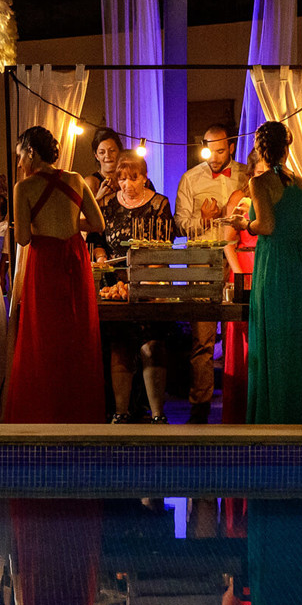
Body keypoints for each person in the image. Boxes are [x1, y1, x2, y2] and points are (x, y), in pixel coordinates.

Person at [3, 125, 106, 424]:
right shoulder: (74, 178)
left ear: (31, 152)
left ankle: (44, 411)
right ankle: (78, 413)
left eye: (20, 155)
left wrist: (36, 223)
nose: (19, 162)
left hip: (45, 261)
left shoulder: (24, 187)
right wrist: (71, 223)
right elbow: (97, 223)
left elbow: (22, 238)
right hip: (74, 259)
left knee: (44, 338)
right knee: (76, 334)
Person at [237, 122, 302, 425]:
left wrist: (243, 224)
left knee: (275, 340)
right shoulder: (298, 182)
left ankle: (272, 417)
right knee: (296, 341)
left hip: (276, 264)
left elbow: (266, 226)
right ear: (288, 145)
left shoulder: (260, 182)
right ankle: (296, 415)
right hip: (301, 262)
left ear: (260, 148)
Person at [94, 150, 176, 423]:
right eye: (122, 179)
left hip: (150, 286)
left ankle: (157, 414)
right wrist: (102, 257)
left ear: (145, 177)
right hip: (114, 288)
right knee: (120, 346)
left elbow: (165, 245)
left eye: (133, 178)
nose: (127, 185)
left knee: (152, 345)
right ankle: (121, 412)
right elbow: (97, 239)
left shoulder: (159, 204)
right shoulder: (106, 205)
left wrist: (146, 277)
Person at [173, 124, 240, 423]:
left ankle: (238, 404)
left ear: (232, 148)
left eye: (221, 150)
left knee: (237, 335)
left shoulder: (245, 175)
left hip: (237, 259)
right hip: (202, 260)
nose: (214, 157)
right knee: (202, 338)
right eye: (209, 150)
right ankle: (199, 406)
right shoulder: (190, 178)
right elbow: (180, 225)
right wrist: (203, 219)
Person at [220, 147, 266, 424]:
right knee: (243, 341)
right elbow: (227, 241)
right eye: (258, 173)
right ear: (250, 174)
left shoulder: (274, 198)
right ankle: (240, 409)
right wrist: (239, 275)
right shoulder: (241, 198)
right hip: (244, 267)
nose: (263, 178)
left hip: (267, 265)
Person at [82, 127, 125, 204]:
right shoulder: (91, 182)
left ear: (120, 151)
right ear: (96, 156)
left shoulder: (128, 179)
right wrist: (99, 197)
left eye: (112, 151)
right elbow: (82, 215)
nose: (107, 156)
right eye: (102, 152)